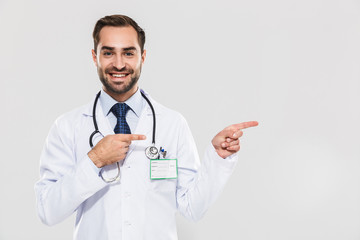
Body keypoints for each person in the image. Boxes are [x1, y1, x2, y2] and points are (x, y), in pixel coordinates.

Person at [35, 14, 258, 240]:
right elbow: (48, 211)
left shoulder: (172, 124)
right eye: (108, 52)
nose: (119, 64)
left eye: (128, 53)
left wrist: (217, 159)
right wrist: (94, 160)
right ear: (95, 57)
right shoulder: (67, 126)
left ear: (143, 56)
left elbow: (192, 208)